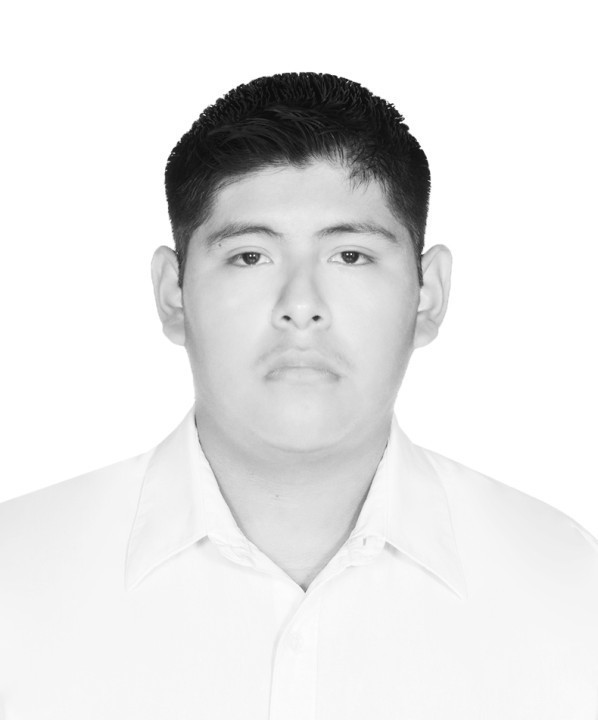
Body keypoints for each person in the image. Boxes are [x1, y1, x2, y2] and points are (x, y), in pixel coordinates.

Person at [0, 73, 596, 720]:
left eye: (350, 255)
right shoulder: (16, 579)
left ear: (429, 295)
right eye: (250, 257)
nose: (301, 305)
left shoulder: (569, 588)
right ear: (173, 293)